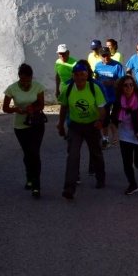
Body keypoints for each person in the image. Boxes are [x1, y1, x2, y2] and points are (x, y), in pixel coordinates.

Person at [57, 60, 106, 199]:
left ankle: (100, 177)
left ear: (86, 75)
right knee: (72, 156)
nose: (79, 78)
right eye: (76, 75)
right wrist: (61, 124)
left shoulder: (93, 87)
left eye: (82, 74)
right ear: (72, 76)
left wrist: (100, 121)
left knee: (96, 153)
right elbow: (64, 107)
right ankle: (69, 188)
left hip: (92, 125)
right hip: (75, 126)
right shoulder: (68, 88)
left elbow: (102, 107)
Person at [2, 63, 46, 199]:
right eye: (23, 81)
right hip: (20, 125)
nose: (26, 84)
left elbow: (41, 104)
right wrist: (16, 109)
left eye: (28, 81)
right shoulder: (11, 89)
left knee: (34, 153)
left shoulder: (38, 86)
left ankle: (36, 185)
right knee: (27, 154)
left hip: (36, 125)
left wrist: (33, 109)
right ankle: (29, 177)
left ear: (32, 78)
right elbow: (5, 108)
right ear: (19, 78)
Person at [94, 46, 125, 148]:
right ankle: (105, 139)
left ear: (110, 54)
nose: (105, 58)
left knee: (114, 119)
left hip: (116, 97)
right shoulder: (97, 66)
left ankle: (116, 136)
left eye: (107, 55)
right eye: (103, 56)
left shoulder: (117, 66)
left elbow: (123, 81)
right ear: (100, 56)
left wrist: (112, 83)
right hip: (104, 97)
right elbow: (97, 79)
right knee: (104, 119)